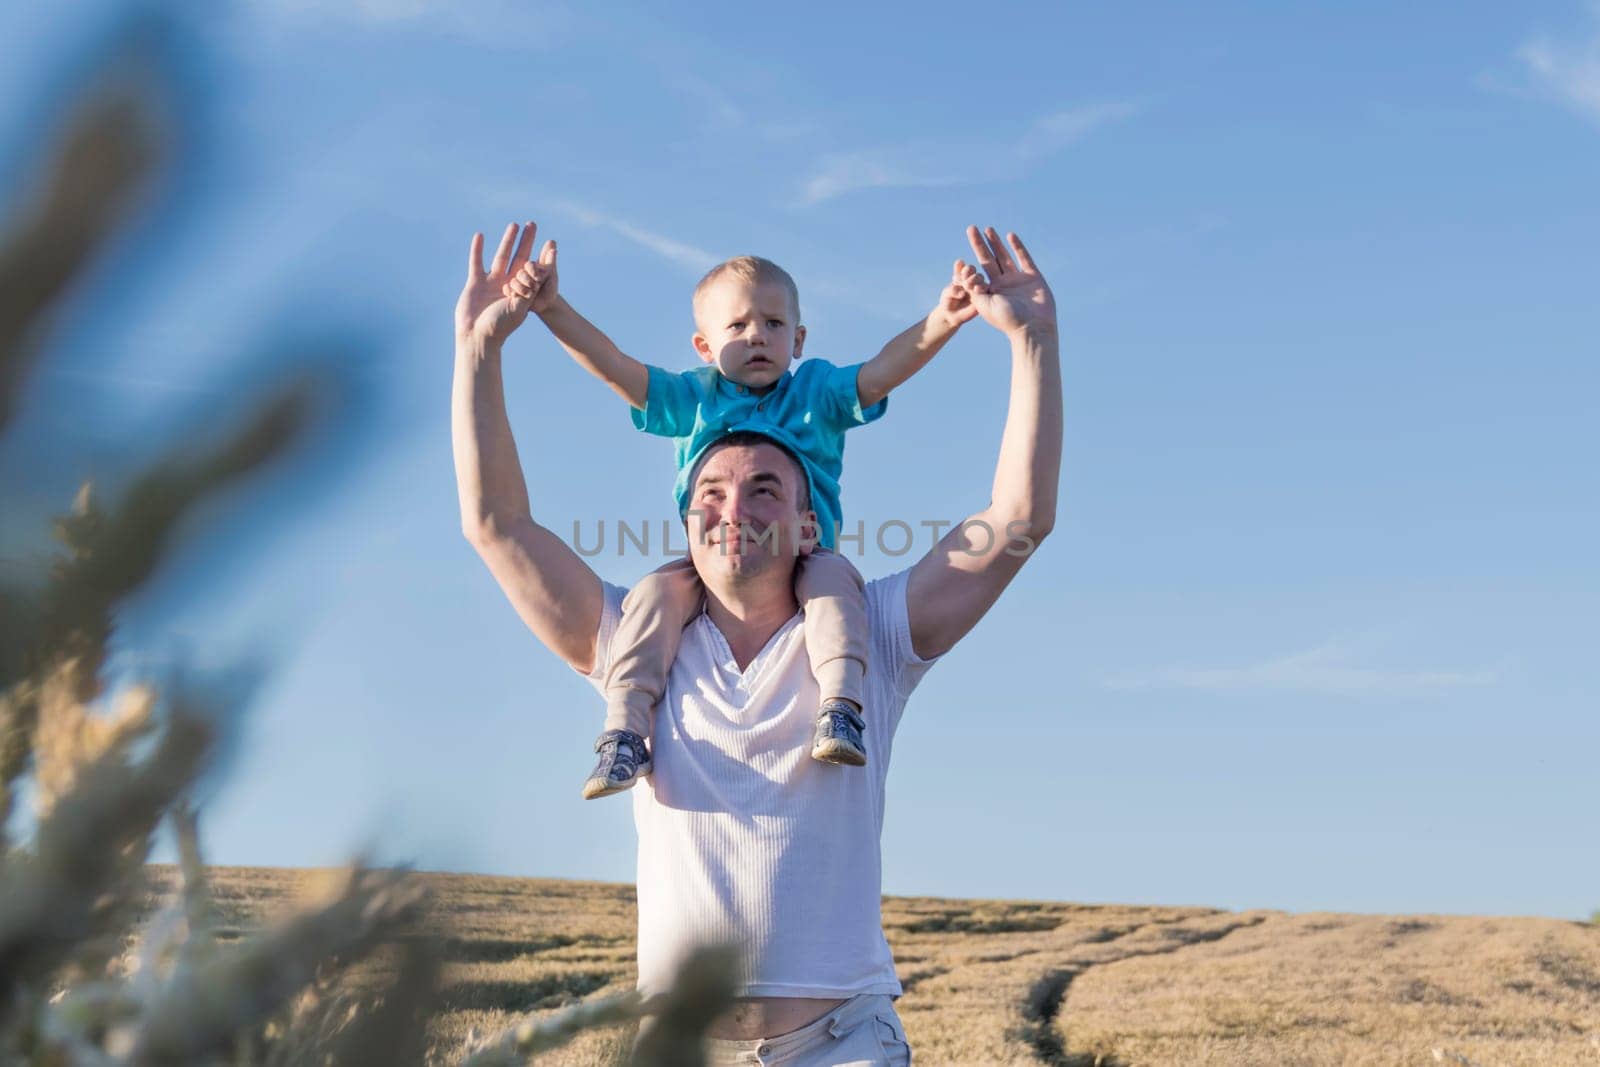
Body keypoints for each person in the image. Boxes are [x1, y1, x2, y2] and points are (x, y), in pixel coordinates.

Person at [453, 222, 1061, 1065]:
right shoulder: (639, 638)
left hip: (844, 1044)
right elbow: (497, 523)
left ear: (810, 523)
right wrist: (479, 349)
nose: (733, 506)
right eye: (710, 490)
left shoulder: (872, 635)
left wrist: (1031, 341)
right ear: (684, 518)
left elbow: (1019, 521)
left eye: (765, 488)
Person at [498, 240, 976, 800]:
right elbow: (617, 369)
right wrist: (552, 309)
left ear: (798, 340)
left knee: (834, 590)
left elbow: (878, 375)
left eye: (774, 324)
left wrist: (943, 320)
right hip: (714, 564)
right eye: (738, 325)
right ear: (704, 346)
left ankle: (841, 708)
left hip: (804, 556)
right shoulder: (694, 398)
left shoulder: (815, 394)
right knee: (651, 600)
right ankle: (625, 733)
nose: (757, 335)